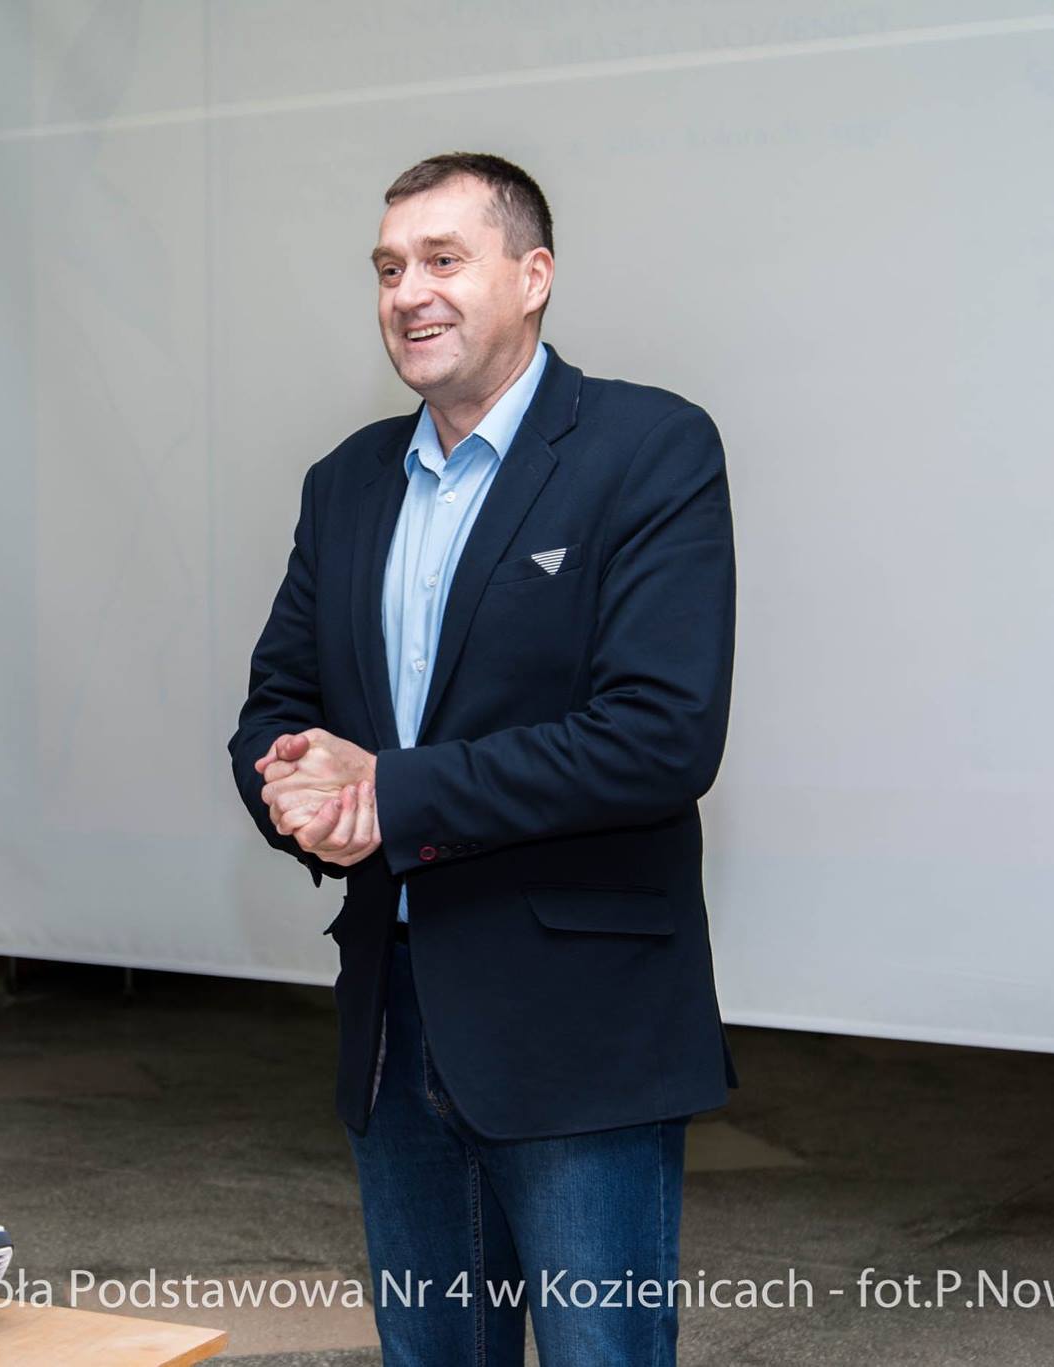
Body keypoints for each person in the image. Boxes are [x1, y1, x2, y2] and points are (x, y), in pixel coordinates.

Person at [229, 153, 739, 1366]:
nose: (408, 291)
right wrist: (292, 786)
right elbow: (275, 705)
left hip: (577, 1030)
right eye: (387, 268)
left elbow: (659, 734)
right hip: (393, 1017)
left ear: (533, 275)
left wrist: (385, 790)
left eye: (442, 260)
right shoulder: (345, 482)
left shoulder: (648, 447)